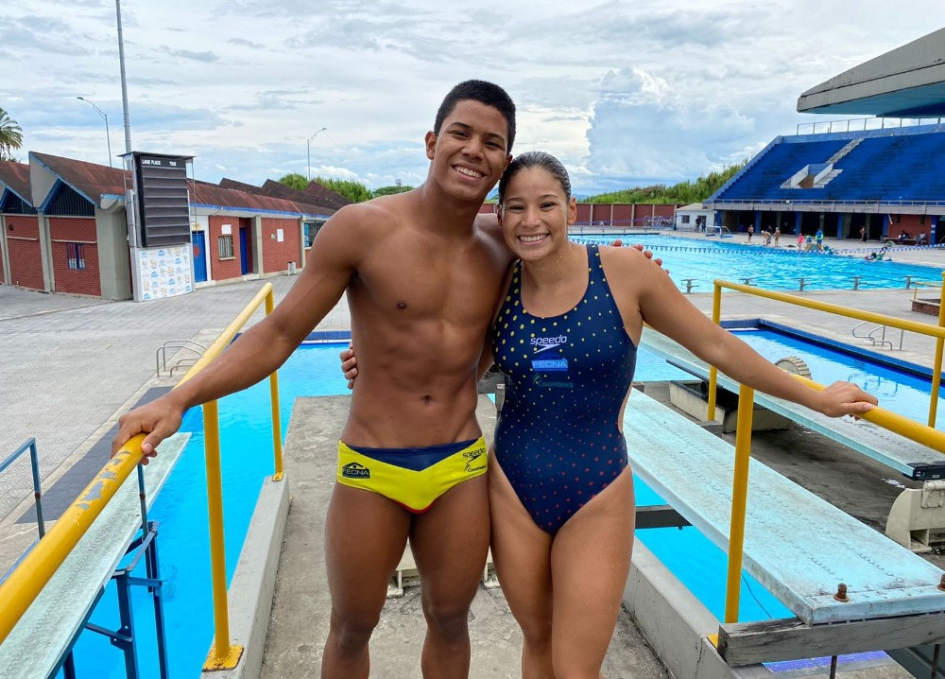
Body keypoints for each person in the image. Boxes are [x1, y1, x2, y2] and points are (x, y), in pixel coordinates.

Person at [112, 80, 655, 679]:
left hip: (460, 466)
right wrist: (181, 397)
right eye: (461, 133)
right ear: (431, 141)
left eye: (493, 142)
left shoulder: (501, 245)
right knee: (350, 627)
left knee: (451, 621)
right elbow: (280, 331)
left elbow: (558, 281)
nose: (475, 149)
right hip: (372, 464)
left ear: (503, 162)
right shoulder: (361, 228)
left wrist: (632, 263)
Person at [347, 152, 877, 677]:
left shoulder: (625, 272)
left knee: (577, 668)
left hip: (596, 487)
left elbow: (716, 345)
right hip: (512, 486)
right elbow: (451, 356)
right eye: (516, 207)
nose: (531, 221)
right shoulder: (501, 283)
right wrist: (376, 365)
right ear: (501, 214)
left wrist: (813, 396)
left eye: (547, 204)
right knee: (537, 644)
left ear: (572, 210)